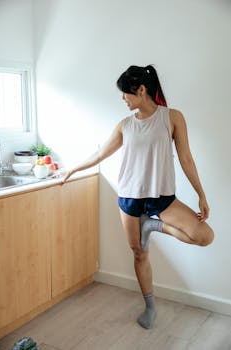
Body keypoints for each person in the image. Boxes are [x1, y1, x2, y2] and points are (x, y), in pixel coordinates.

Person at [57, 65, 214, 330]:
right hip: (129, 197)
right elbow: (100, 155)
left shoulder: (172, 117)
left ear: (141, 90)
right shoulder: (125, 125)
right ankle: (150, 306)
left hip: (162, 198)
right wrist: (72, 168)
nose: (123, 99)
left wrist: (201, 194)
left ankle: (153, 225)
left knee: (204, 236)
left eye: (125, 93)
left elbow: (186, 158)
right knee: (139, 253)